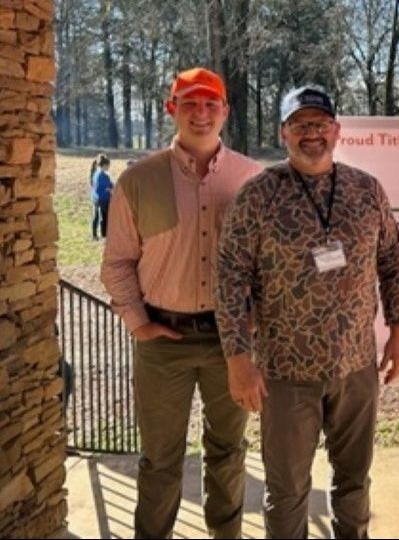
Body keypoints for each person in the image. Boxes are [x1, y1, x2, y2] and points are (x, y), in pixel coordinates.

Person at [215, 85, 399, 539]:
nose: (312, 134)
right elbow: (229, 279)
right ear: (284, 132)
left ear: (337, 130)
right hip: (285, 371)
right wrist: (238, 360)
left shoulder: (366, 189)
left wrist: (397, 332)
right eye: (301, 124)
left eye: (320, 124)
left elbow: (392, 260)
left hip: (356, 367)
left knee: (354, 483)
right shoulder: (258, 195)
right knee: (286, 493)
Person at [100, 67, 262, 539]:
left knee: (228, 452)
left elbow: (268, 266)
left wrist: (254, 326)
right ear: (172, 109)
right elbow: (118, 263)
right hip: (161, 341)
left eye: (211, 103)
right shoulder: (138, 180)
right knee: (160, 460)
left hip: (229, 342)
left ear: (226, 112)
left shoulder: (252, 179)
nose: (201, 113)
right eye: (189, 103)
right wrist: (138, 323)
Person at [90, 153, 114, 240]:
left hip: (95, 198)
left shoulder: (95, 174)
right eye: (108, 166)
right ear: (104, 165)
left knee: (95, 217)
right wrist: (112, 190)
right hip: (104, 199)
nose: (108, 168)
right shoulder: (104, 176)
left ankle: (94, 235)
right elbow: (109, 187)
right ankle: (104, 236)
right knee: (104, 217)